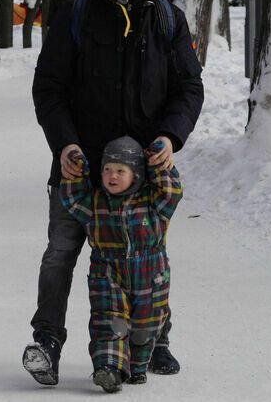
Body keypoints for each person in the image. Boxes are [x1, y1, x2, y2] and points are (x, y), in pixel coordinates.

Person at [24, 0, 204, 386]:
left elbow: (188, 87)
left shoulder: (168, 17)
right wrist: (64, 142)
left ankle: (153, 338)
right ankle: (47, 341)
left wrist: (170, 136)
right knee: (60, 252)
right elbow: (49, 87)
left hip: (141, 171)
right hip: (80, 163)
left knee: (145, 256)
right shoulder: (79, 13)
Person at [59, 137, 183, 393]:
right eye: (106, 170)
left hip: (150, 275)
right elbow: (72, 198)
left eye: (120, 171)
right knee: (109, 321)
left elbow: (172, 192)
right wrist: (77, 171)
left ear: (136, 174)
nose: (111, 176)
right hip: (107, 275)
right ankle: (110, 368)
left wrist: (159, 166)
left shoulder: (153, 202)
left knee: (146, 324)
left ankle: (137, 367)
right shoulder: (94, 202)